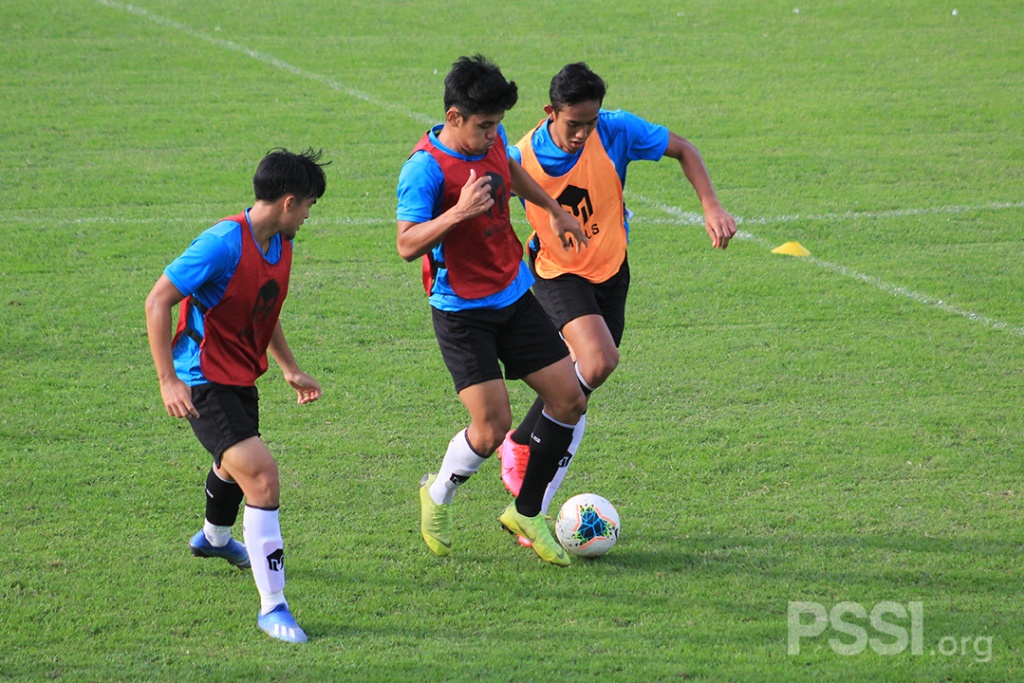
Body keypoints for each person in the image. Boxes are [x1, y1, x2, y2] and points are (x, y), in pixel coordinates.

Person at [499, 62, 737, 519]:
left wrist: (711, 206)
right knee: (598, 361)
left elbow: (683, 149)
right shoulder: (522, 157)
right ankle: (525, 474)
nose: (582, 134)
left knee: (582, 380)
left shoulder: (616, 130)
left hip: (611, 272)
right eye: (573, 124)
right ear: (551, 111)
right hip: (557, 274)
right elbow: (488, 190)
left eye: (590, 123)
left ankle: (524, 447)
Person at [396, 55, 591, 567]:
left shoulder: (493, 140)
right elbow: (406, 244)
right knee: (491, 428)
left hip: (514, 294)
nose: (492, 136)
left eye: (497, 126)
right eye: (483, 126)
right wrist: (458, 213)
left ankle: (527, 512)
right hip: (462, 312)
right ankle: (438, 492)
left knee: (569, 399)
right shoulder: (424, 169)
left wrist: (553, 210)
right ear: (454, 116)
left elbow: (512, 171)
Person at [144, 148, 329, 643]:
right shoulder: (222, 244)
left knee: (232, 466)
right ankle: (273, 606)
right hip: (203, 379)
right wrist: (167, 380)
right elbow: (158, 300)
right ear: (288, 202)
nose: (308, 216)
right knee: (261, 476)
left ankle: (214, 537)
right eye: (308, 205)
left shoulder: (279, 244)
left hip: (240, 377)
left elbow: (263, 307)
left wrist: (289, 368)